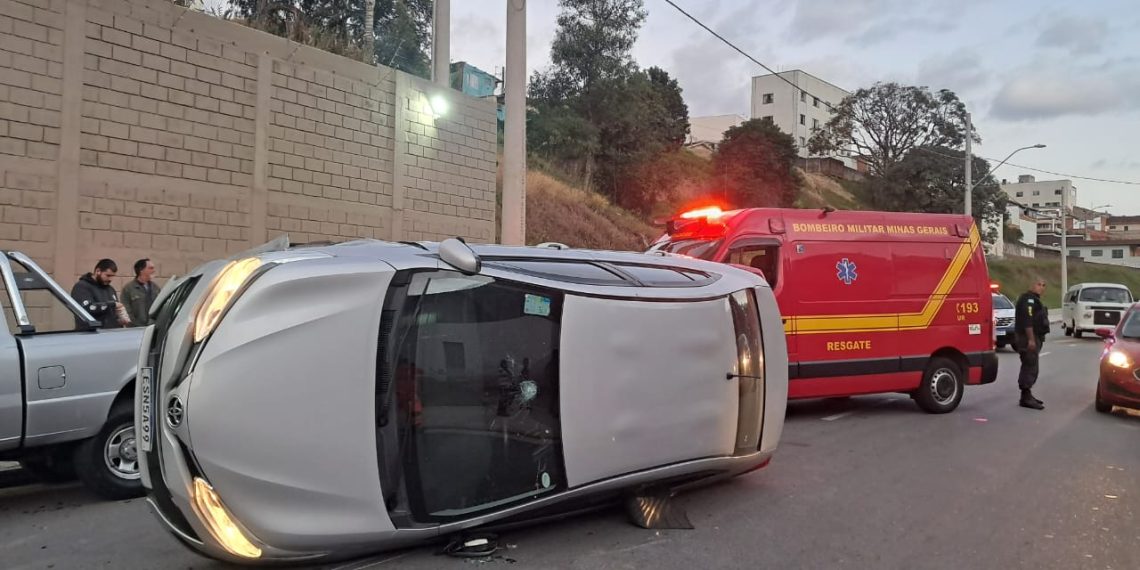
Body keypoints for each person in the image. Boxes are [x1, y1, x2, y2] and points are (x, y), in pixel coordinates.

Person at [1014, 277, 1050, 410]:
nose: (1042, 287)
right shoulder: (1028, 300)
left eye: (1043, 285)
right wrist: (1031, 339)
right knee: (1030, 366)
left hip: (1033, 337)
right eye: (1038, 284)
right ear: (1031, 285)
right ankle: (1025, 396)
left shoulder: (1034, 300)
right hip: (1027, 338)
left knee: (1031, 365)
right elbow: (1027, 321)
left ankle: (1027, 394)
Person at [70, 259, 129, 329]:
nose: (110, 279)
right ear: (98, 271)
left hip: (110, 334)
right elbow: (88, 308)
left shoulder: (110, 289)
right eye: (108, 275)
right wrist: (112, 304)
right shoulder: (81, 287)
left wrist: (120, 320)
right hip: (91, 334)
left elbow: (112, 312)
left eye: (113, 276)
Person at [121, 258, 161, 327]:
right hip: (135, 330)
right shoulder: (128, 288)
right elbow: (126, 311)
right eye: (151, 268)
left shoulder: (156, 288)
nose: (154, 270)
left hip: (152, 328)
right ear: (141, 270)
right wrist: (135, 326)